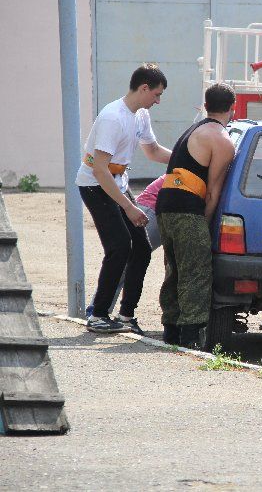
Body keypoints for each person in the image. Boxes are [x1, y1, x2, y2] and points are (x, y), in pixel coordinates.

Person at [76, 63, 171, 334]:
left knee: (140, 247)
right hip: (96, 185)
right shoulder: (112, 117)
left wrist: (185, 158)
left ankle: (127, 315)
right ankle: (98, 315)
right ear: (144, 88)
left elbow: (152, 151)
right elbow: (99, 169)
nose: (158, 101)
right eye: (156, 94)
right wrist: (129, 207)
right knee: (119, 247)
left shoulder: (140, 115)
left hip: (117, 182)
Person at [156, 83, 237, 348]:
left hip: (165, 206)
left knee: (175, 269)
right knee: (196, 271)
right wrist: (206, 223)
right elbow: (213, 193)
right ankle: (190, 337)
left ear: (206, 105)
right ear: (232, 108)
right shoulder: (222, 140)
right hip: (187, 211)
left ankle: (170, 329)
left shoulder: (193, 130)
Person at [84, 175, 165, 333]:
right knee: (128, 258)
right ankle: (97, 312)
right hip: (152, 208)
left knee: (138, 255)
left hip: (159, 208)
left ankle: (122, 316)